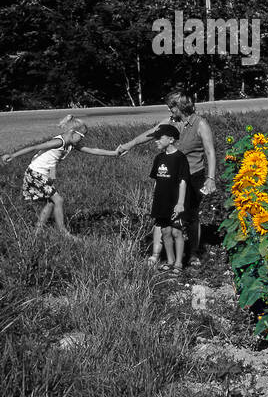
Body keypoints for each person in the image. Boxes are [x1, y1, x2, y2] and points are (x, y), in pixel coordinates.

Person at [118, 92, 216, 267]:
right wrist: (129, 144)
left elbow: (209, 152)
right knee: (162, 215)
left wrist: (211, 178)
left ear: (181, 107)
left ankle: (193, 253)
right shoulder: (169, 122)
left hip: (193, 175)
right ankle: (157, 254)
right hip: (170, 177)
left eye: (172, 107)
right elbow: (150, 133)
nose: (170, 111)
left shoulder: (200, 124)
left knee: (191, 215)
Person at [1, 115, 119, 236]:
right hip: (35, 173)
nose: (82, 139)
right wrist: (12, 155)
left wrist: (114, 153)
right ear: (73, 132)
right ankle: (63, 232)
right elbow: (35, 147)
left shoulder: (70, 144)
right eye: (82, 136)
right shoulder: (58, 142)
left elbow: (93, 150)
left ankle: (37, 232)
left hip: (43, 174)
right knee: (58, 200)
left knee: (51, 202)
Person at [146, 124, 191, 271]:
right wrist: (154, 201)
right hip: (161, 202)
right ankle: (170, 260)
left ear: (171, 139)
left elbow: (183, 181)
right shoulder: (159, 158)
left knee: (176, 231)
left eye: (159, 138)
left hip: (175, 201)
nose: (156, 141)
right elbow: (157, 181)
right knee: (165, 231)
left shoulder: (180, 158)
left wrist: (180, 203)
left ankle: (179, 263)